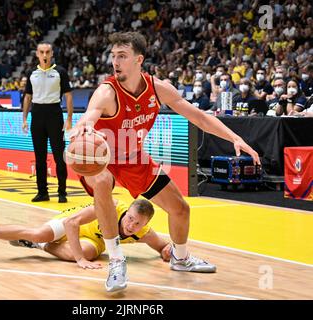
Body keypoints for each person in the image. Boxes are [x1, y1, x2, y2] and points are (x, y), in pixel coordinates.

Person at [69, 32, 260, 292]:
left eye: (122, 56)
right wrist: (83, 128)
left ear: (139, 60)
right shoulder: (106, 91)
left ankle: (180, 259)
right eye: (113, 56)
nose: (115, 62)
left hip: (134, 158)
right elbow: (89, 116)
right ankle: (116, 260)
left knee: (181, 209)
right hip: (102, 159)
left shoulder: (158, 89)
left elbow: (200, 117)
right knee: (102, 180)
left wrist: (234, 137)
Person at [0, 199, 172, 269]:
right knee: (39, 233)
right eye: (130, 218)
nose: (131, 225)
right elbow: (71, 223)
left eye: (137, 223)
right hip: (71, 222)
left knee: (89, 253)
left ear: (146, 223)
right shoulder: (109, 206)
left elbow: (163, 247)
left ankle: (37, 247)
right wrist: (79, 259)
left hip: (92, 239)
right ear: (127, 211)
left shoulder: (142, 232)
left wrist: (172, 252)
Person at [22, 41, 73, 204]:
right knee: (40, 157)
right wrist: (24, 118)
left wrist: (70, 119)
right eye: (41, 52)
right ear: (37, 54)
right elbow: (28, 97)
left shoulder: (60, 72)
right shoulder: (31, 73)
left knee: (59, 156)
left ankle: (62, 192)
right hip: (37, 114)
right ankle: (42, 192)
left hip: (54, 114)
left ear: (52, 54)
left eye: (47, 52)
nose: (45, 55)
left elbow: (68, 96)